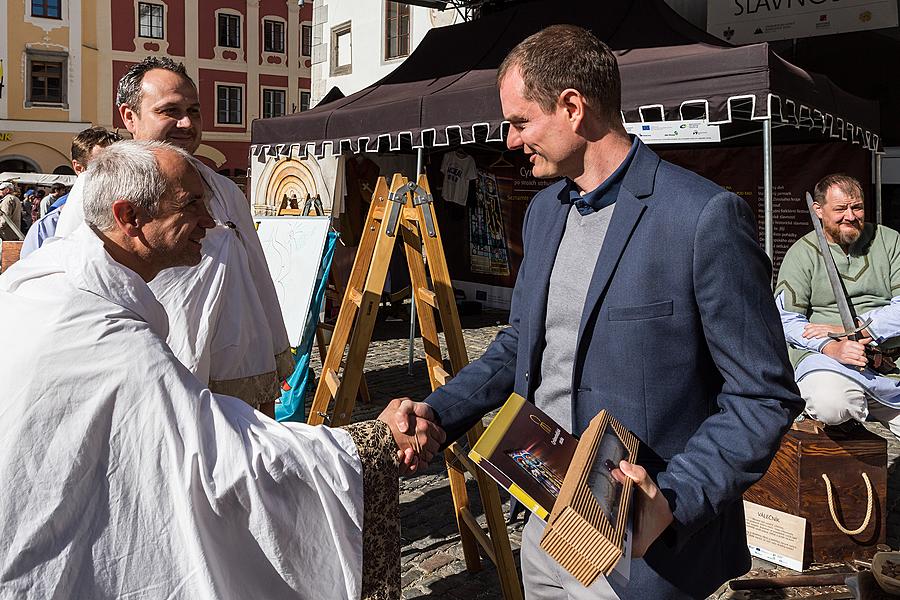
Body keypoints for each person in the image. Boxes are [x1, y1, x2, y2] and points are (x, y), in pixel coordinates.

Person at [398, 25, 803, 599]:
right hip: (544, 521)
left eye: (519, 122)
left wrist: (674, 499)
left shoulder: (702, 218)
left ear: (572, 108)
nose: (510, 141)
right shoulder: (543, 212)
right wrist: (438, 413)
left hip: (644, 550)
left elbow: (763, 395)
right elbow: (522, 343)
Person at [0, 140, 443, 599]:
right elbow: (227, 459)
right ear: (129, 217)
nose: (210, 221)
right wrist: (371, 443)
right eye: (191, 205)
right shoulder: (110, 338)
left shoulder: (43, 280)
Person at [54, 57, 292, 416]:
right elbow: (75, 285)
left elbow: (256, 277)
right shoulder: (96, 186)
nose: (186, 123)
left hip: (235, 377)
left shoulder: (225, 190)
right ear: (129, 117)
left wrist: (270, 357)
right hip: (150, 377)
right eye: (170, 110)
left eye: (193, 111)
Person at [776, 173, 900, 436]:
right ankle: (847, 428)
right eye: (840, 208)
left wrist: (857, 329)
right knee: (831, 405)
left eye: (857, 207)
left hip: (891, 361)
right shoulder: (801, 254)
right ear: (818, 210)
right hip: (828, 361)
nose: (851, 215)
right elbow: (786, 320)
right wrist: (831, 346)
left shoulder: (889, 242)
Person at [21, 126, 120, 258]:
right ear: (79, 168)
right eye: (103, 166)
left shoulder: (136, 218)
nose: (115, 173)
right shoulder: (46, 228)